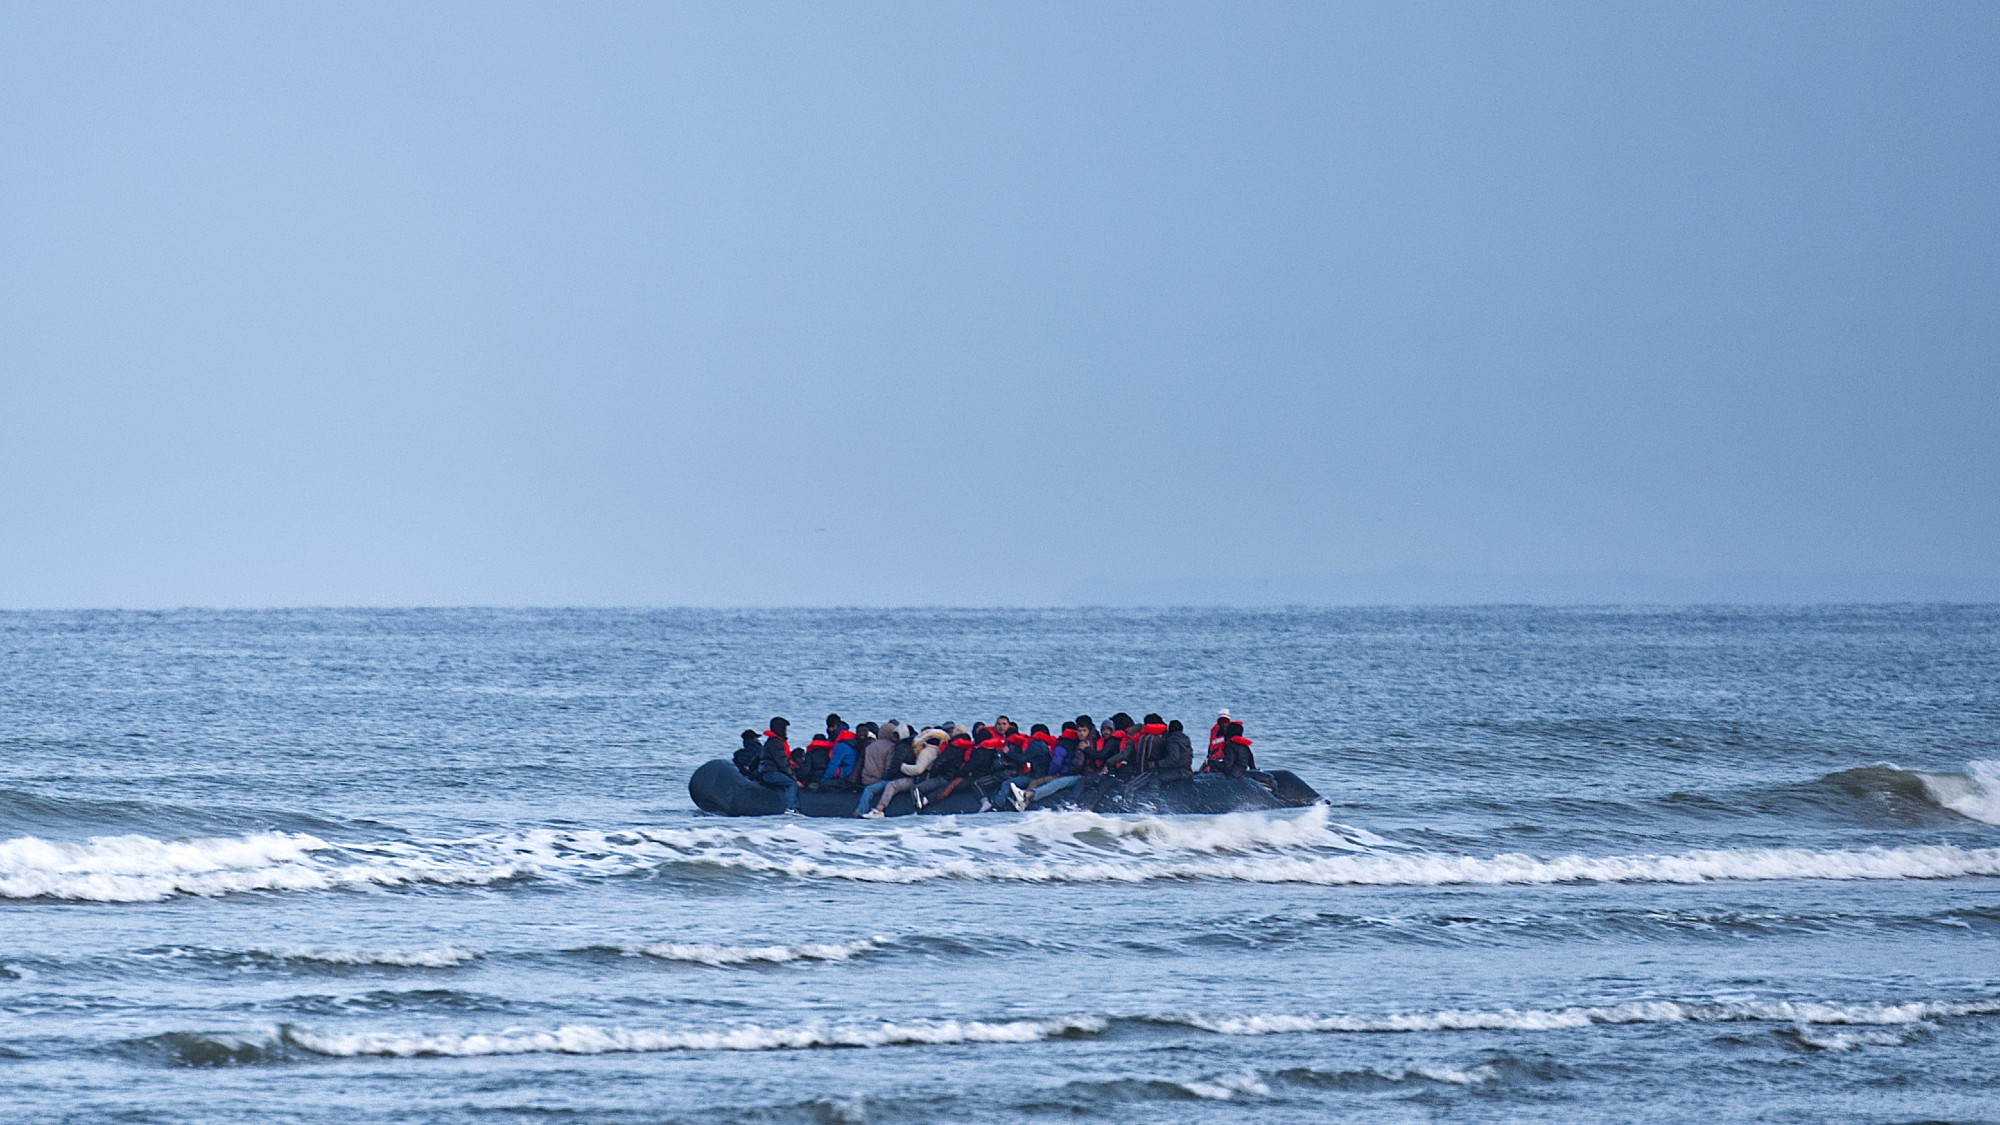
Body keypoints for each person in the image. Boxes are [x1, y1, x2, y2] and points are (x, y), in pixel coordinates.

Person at [863, 726, 946, 817]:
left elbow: (918, 769)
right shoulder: (938, 751)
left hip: (919, 779)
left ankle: (879, 809)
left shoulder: (925, 752)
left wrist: (902, 766)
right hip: (928, 778)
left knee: (892, 785)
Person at [852, 721, 904, 815]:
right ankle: (862, 811)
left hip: (866, 780)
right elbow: (889, 769)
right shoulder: (891, 748)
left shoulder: (869, 746)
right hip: (879, 781)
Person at [756, 717, 800, 812]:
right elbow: (782, 763)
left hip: (768, 771)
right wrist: (794, 778)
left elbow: (758, 757)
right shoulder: (776, 743)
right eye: (785, 729)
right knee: (791, 784)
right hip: (771, 773)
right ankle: (790, 808)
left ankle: (793, 806)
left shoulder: (771, 741)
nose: (786, 732)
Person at [819, 720, 868, 790]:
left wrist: (823, 780)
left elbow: (833, 764)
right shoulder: (854, 742)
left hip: (847, 773)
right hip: (859, 774)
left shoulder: (840, 746)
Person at [1156, 718, 1195, 783]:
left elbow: (1173, 759)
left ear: (1170, 730)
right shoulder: (1185, 739)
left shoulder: (1173, 740)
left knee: (1156, 779)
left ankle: (1154, 793)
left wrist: (1157, 764)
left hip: (1179, 771)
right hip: (1187, 770)